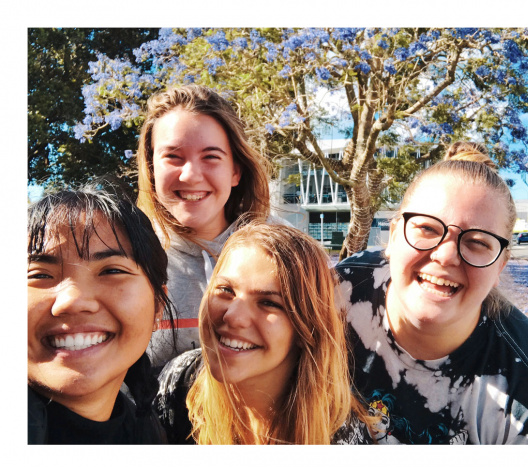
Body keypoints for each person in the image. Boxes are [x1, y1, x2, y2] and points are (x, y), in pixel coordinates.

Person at [336, 141, 528, 444]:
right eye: (427, 229)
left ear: (500, 265)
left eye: (477, 241)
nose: (446, 256)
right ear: (394, 236)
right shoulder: (340, 289)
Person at [156, 222, 372, 444]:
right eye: (225, 290)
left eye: (269, 302)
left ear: (307, 328)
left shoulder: (341, 439)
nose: (233, 316)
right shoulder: (178, 383)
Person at [137, 84, 271, 369]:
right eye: (173, 157)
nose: (191, 175)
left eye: (211, 157)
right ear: (151, 168)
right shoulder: (126, 259)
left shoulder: (282, 254)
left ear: (235, 170)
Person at [28, 186, 175, 444]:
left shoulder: (149, 434)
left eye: (111, 271)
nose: (72, 301)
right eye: (40, 275)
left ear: (157, 307)